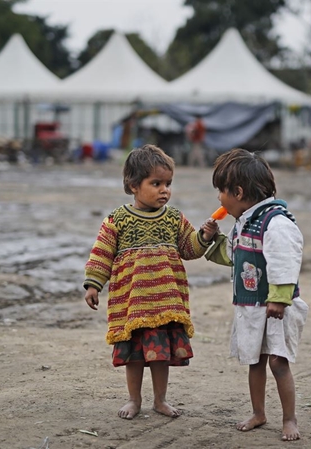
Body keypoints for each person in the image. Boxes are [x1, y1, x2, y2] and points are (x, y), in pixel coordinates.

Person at [83, 144, 217, 420]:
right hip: (132, 305)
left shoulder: (174, 218)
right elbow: (101, 253)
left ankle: (160, 400)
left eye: (168, 183)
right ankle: (134, 400)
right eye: (155, 183)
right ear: (133, 186)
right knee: (134, 357)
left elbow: (189, 249)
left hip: (165, 304)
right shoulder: (117, 220)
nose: (164, 190)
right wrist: (93, 285)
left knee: (160, 356)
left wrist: (204, 236)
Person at [200, 148, 309, 441]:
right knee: (255, 360)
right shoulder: (243, 223)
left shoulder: (276, 222)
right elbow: (234, 256)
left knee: (277, 361)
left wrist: (279, 298)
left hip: (276, 307)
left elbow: (285, 260)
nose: (219, 199)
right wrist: (213, 239)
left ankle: (289, 418)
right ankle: (259, 412)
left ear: (237, 192)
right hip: (251, 306)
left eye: (221, 192)